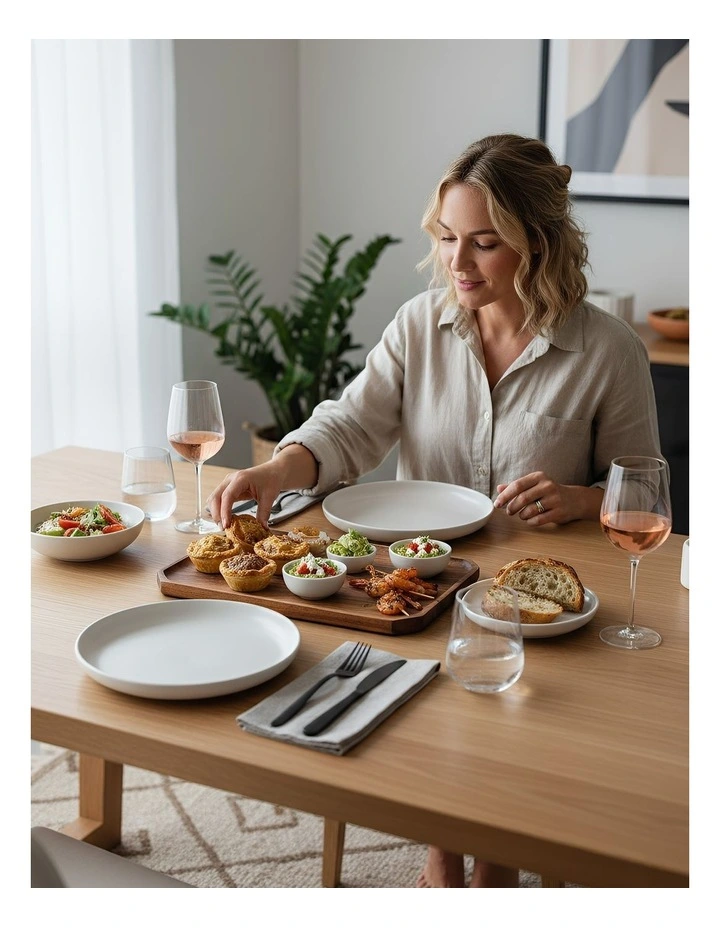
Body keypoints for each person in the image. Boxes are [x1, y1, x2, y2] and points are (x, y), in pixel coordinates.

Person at [207, 133, 663, 887]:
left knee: (523, 699)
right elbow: (351, 424)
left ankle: (490, 850)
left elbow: (639, 490)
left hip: (538, 603)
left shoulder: (609, 350)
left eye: (485, 243)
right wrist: (282, 465)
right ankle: (446, 847)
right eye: (448, 238)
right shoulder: (420, 324)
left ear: (539, 244)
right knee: (392, 672)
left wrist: (582, 497)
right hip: (420, 585)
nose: (457, 262)